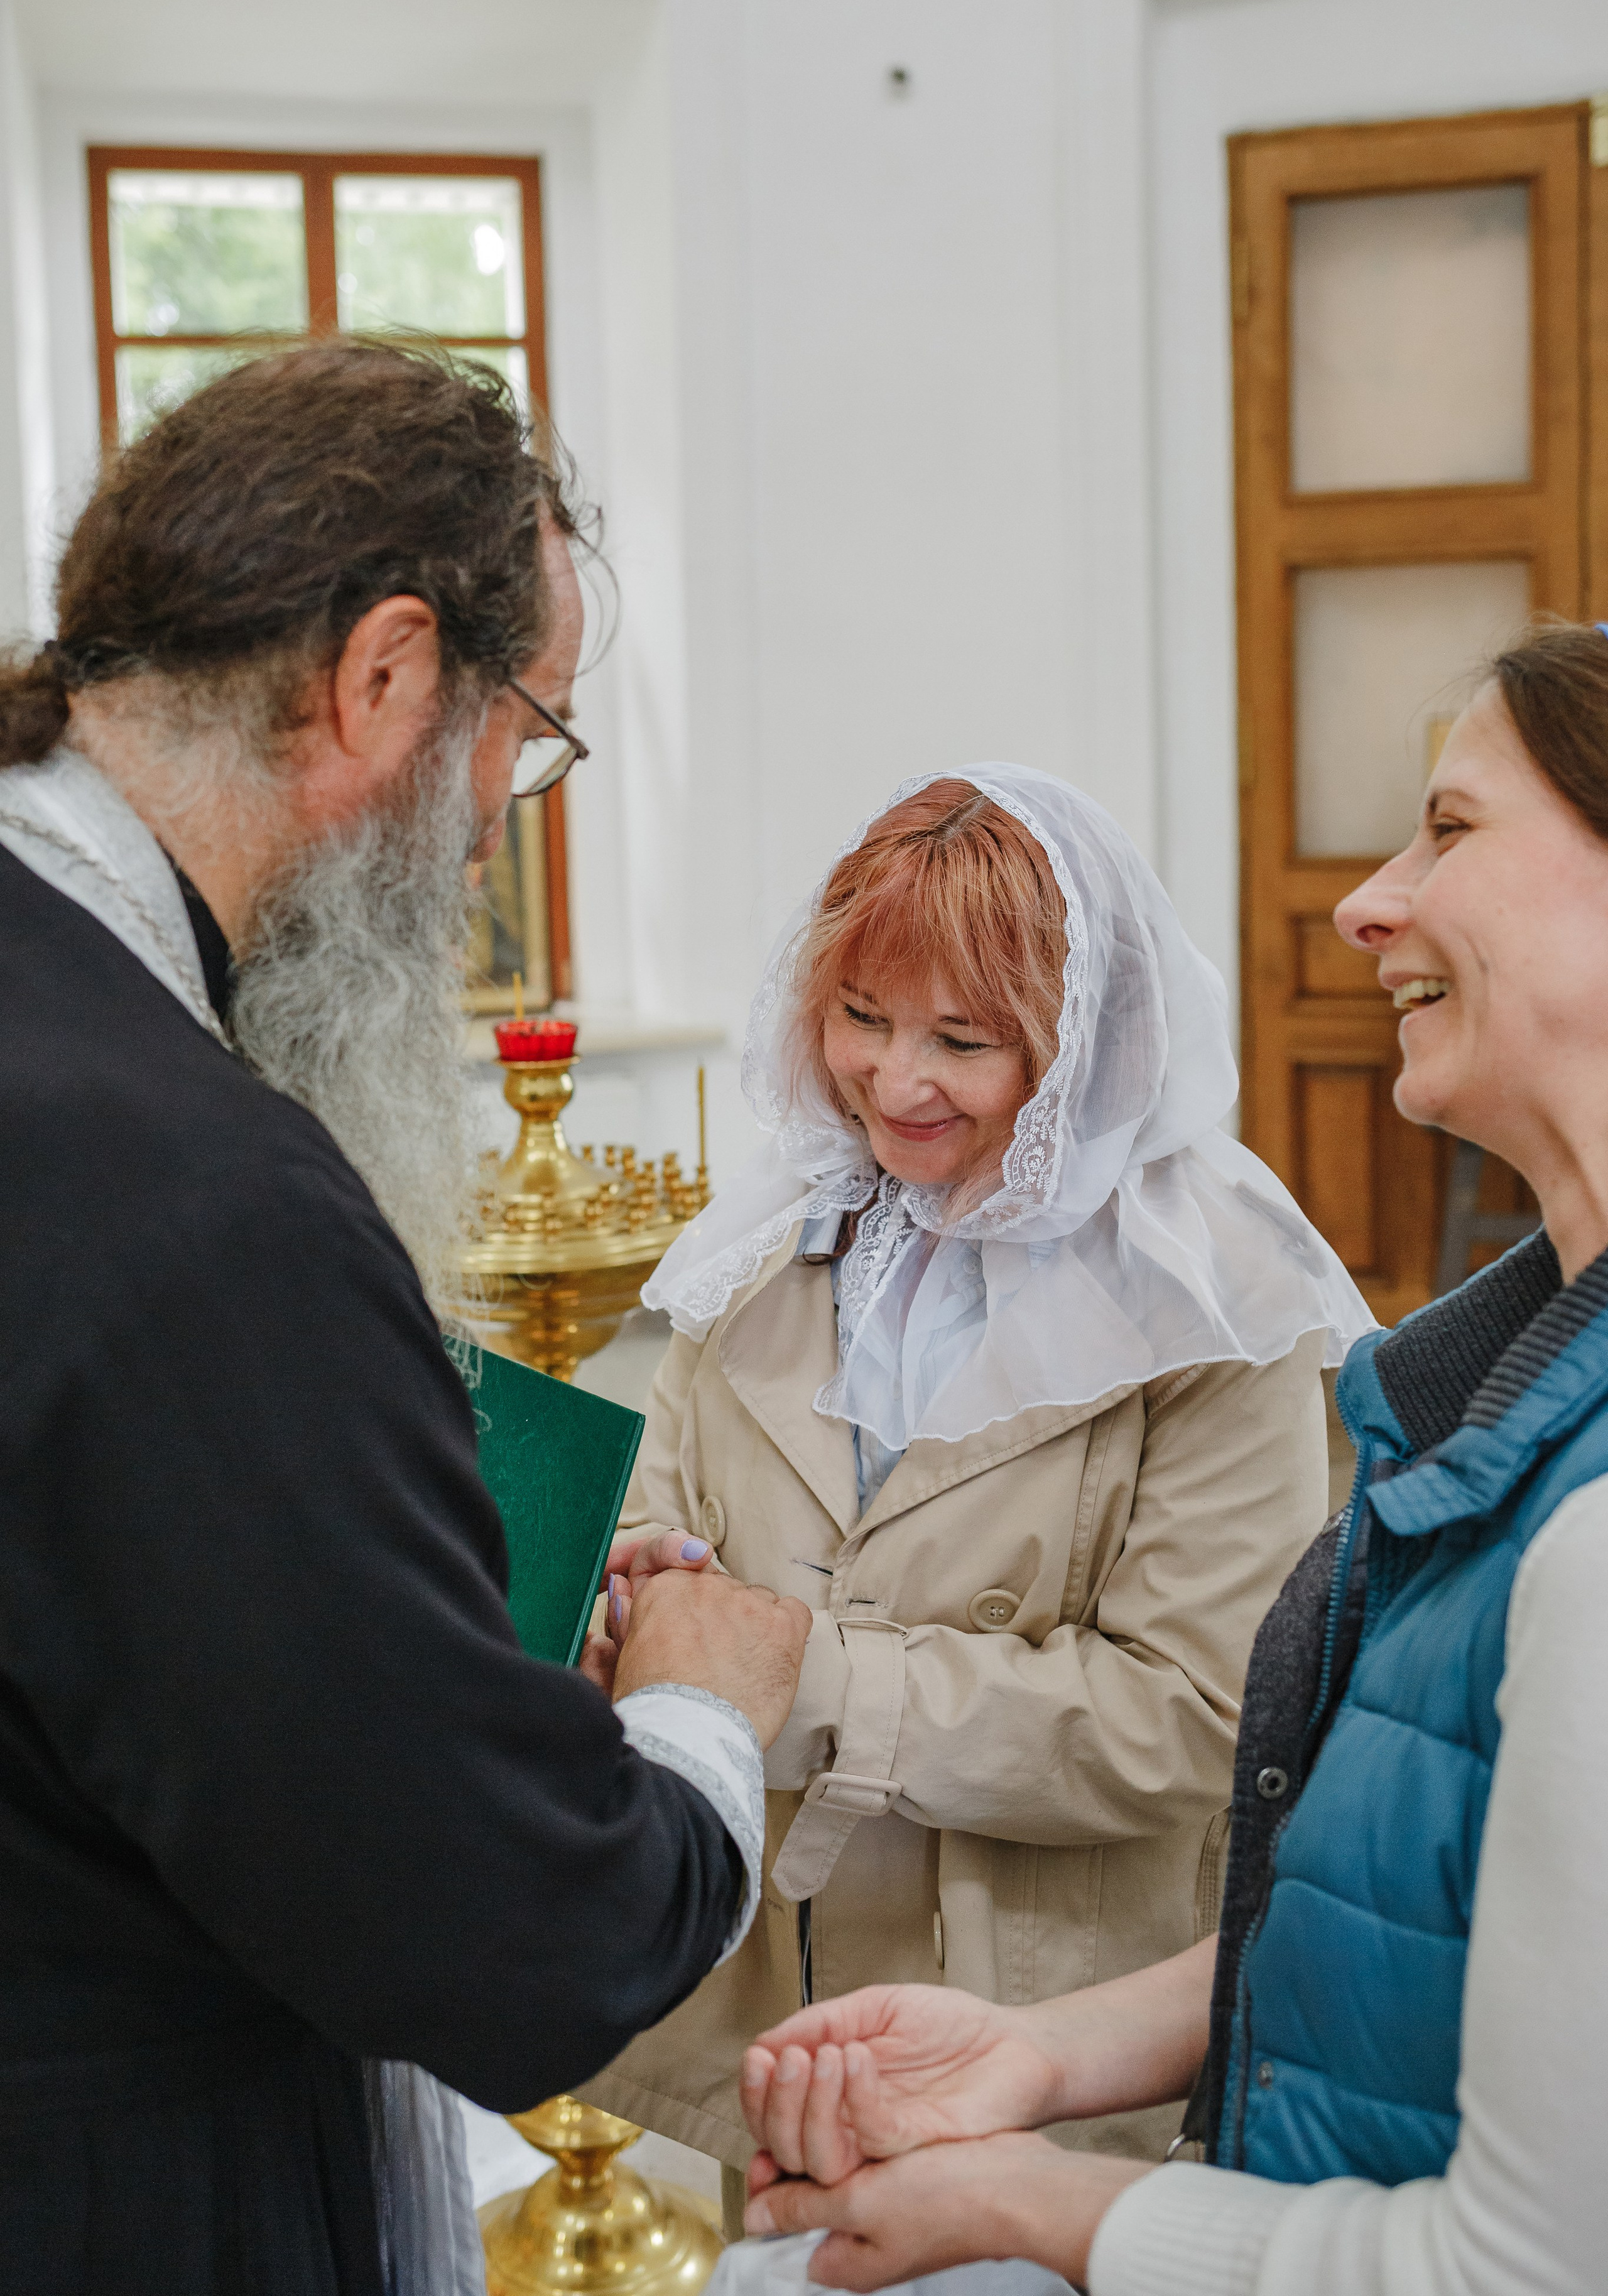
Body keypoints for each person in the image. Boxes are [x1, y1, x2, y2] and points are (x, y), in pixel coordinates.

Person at [0, 340, 808, 2296]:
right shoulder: (201, 1191)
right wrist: (701, 1705)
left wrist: (415, 1571)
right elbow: (510, 1942)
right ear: (379, 679)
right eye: (522, 733)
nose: (486, 832)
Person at [734, 624, 1608, 2296]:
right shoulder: (1472, 1401)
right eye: (862, 1018)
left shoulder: (1536, 1482)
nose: (1364, 900)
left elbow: (1532, 2267)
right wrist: (1042, 2059)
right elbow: (1411, 1932)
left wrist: (1031, 2199)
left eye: (1454, 826)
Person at [579, 768, 1372, 2219]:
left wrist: (806, 1678)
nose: (893, 1083)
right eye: (860, 1021)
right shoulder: (775, 1235)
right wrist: (626, 1602)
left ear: (1086, 1047)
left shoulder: (1217, 1298)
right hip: (767, 1976)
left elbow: (1193, 1717)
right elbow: (656, 1514)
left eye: (963, 1040)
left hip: (1032, 2016)